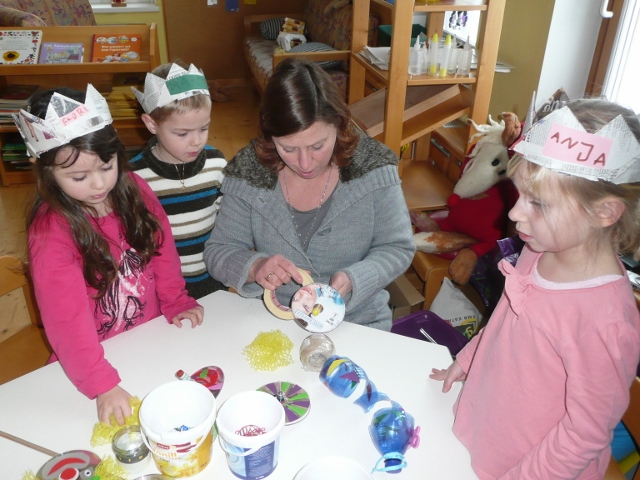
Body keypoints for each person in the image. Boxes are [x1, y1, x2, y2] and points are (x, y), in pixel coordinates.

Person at [430, 98, 640, 479]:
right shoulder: (537, 249)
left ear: (605, 212)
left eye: (538, 203)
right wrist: (467, 359)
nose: (514, 213)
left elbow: (584, 436)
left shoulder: (605, 322)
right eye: (519, 194)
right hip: (481, 435)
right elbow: (504, 322)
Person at [18, 85, 203, 425]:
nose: (99, 184)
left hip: (148, 339)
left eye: (107, 166)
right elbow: (66, 322)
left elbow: (162, 252)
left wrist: (176, 300)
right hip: (90, 362)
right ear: (46, 172)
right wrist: (102, 385)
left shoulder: (135, 190)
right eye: (78, 176)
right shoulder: (51, 232)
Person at [203, 58, 415, 331]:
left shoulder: (373, 168)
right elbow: (219, 251)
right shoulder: (250, 172)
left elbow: (398, 247)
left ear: (339, 126)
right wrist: (255, 266)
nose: (305, 163)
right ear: (270, 137)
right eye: (288, 148)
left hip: (358, 321)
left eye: (317, 145)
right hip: (275, 321)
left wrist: (355, 278)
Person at [130, 61, 227, 299]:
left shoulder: (216, 164)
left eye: (204, 128)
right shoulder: (135, 177)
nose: (196, 141)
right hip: (162, 289)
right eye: (182, 133)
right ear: (151, 124)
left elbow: (228, 222)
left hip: (214, 278)